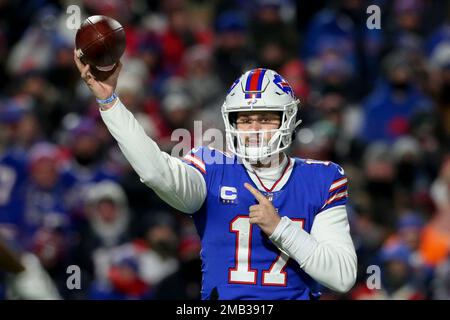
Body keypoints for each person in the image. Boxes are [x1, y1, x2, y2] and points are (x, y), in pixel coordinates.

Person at [74, 52, 357, 300]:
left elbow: (341, 276)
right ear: (231, 123)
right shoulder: (211, 167)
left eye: (266, 118)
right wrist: (110, 103)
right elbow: (154, 172)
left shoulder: (322, 178)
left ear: (288, 120)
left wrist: (281, 228)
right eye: (245, 120)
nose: (254, 128)